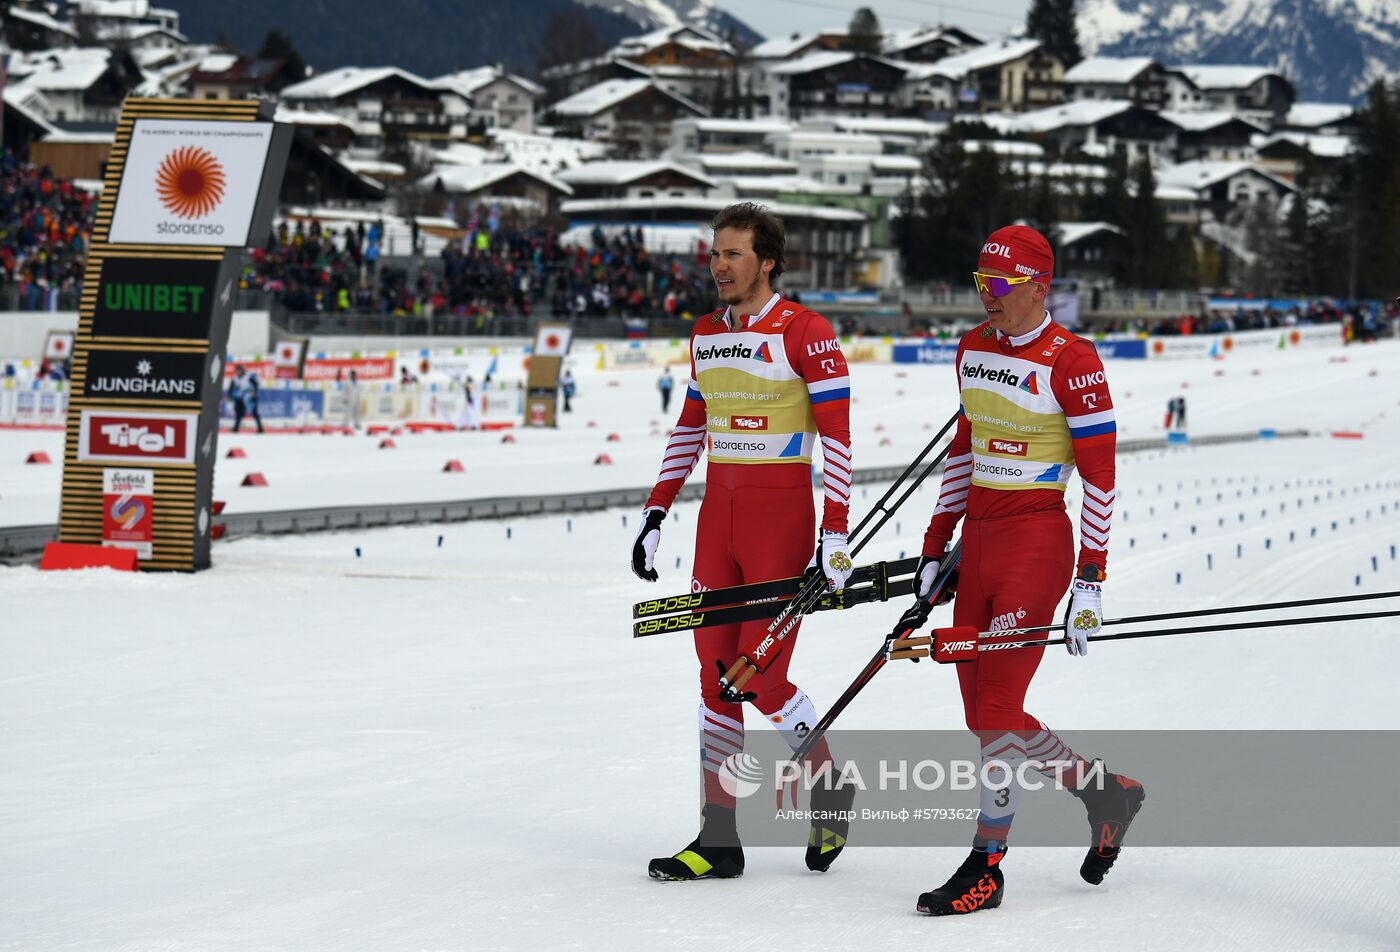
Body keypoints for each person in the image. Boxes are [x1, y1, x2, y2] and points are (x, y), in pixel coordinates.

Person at [899, 225, 1144, 916]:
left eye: (1000, 287)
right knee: (983, 716)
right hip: (976, 546)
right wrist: (933, 546)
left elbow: (1100, 478)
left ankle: (988, 864)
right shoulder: (971, 347)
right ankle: (1106, 792)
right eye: (980, 285)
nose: (988, 300)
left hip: (1036, 546)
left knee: (1000, 707)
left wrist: (1090, 581)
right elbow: (963, 451)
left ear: (1040, 285)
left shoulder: (1074, 359)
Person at [631, 202, 856, 881]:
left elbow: (839, 439)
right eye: (715, 253)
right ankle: (719, 836)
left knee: (758, 678)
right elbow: (688, 431)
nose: (718, 264)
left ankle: (829, 784)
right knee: (712, 680)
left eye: (732, 254)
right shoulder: (704, 333)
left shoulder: (805, 331)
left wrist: (836, 533)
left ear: (767, 262)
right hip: (717, 522)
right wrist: (655, 512)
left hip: (779, 517)